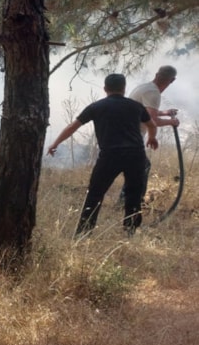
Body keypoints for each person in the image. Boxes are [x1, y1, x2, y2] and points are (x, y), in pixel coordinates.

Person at [47, 73, 158, 237]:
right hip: (136, 155)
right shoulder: (136, 106)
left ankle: (84, 233)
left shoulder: (97, 106)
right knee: (134, 194)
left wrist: (55, 144)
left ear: (105, 89)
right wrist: (152, 138)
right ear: (124, 88)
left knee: (95, 193)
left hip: (110, 156)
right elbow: (152, 125)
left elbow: (72, 127)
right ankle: (130, 231)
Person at [128, 64, 181, 186]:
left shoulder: (144, 87)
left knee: (135, 168)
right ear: (172, 80)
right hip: (132, 137)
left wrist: (165, 113)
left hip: (127, 134)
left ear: (156, 74)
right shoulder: (153, 92)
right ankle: (132, 201)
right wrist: (171, 122)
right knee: (141, 167)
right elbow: (152, 120)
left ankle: (127, 200)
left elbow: (145, 112)